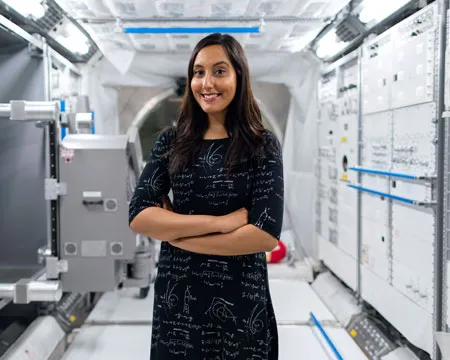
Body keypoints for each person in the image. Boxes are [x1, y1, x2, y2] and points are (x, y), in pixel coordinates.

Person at [129, 32, 284, 360]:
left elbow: (264, 235)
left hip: (241, 301)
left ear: (239, 77)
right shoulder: (171, 141)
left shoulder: (262, 145)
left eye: (219, 71)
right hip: (179, 302)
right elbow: (141, 216)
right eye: (198, 72)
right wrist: (223, 223)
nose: (207, 82)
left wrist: (177, 235)